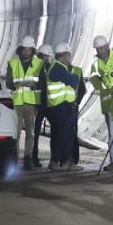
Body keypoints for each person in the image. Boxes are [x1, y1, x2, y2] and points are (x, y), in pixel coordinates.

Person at [6, 36, 44, 169]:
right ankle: (14, 158)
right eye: (24, 50)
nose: (26, 52)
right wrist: (14, 85)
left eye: (29, 50)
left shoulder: (39, 63)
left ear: (33, 50)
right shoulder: (12, 63)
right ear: (20, 50)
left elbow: (43, 83)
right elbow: (8, 82)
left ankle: (27, 158)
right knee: (15, 133)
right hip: (16, 103)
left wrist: (33, 85)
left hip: (31, 103)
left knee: (30, 133)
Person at [44, 43, 81, 171]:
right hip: (59, 107)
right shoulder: (58, 68)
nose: (69, 58)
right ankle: (55, 162)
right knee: (60, 136)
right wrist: (75, 76)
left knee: (67, 135)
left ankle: (66, 161)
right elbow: (74, 81)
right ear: (65, 55)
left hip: (63, 107)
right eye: (68, 55)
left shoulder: (58, 67)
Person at [89, 35, 113, 171]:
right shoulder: (95, 64)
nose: (100, 51)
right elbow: (95, 81)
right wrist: (107, 83)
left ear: (108, 45)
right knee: (112, 135)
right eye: (98, 49)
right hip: (108, 104)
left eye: (102, 48)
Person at [31, 44, 55, 169]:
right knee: (35, 133)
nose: (48, 58)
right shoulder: (40, 66)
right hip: (41, 103)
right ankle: (34, 157)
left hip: (42, 103)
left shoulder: (41, 66)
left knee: (35, 132)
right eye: (47, 56)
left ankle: (35, 157)